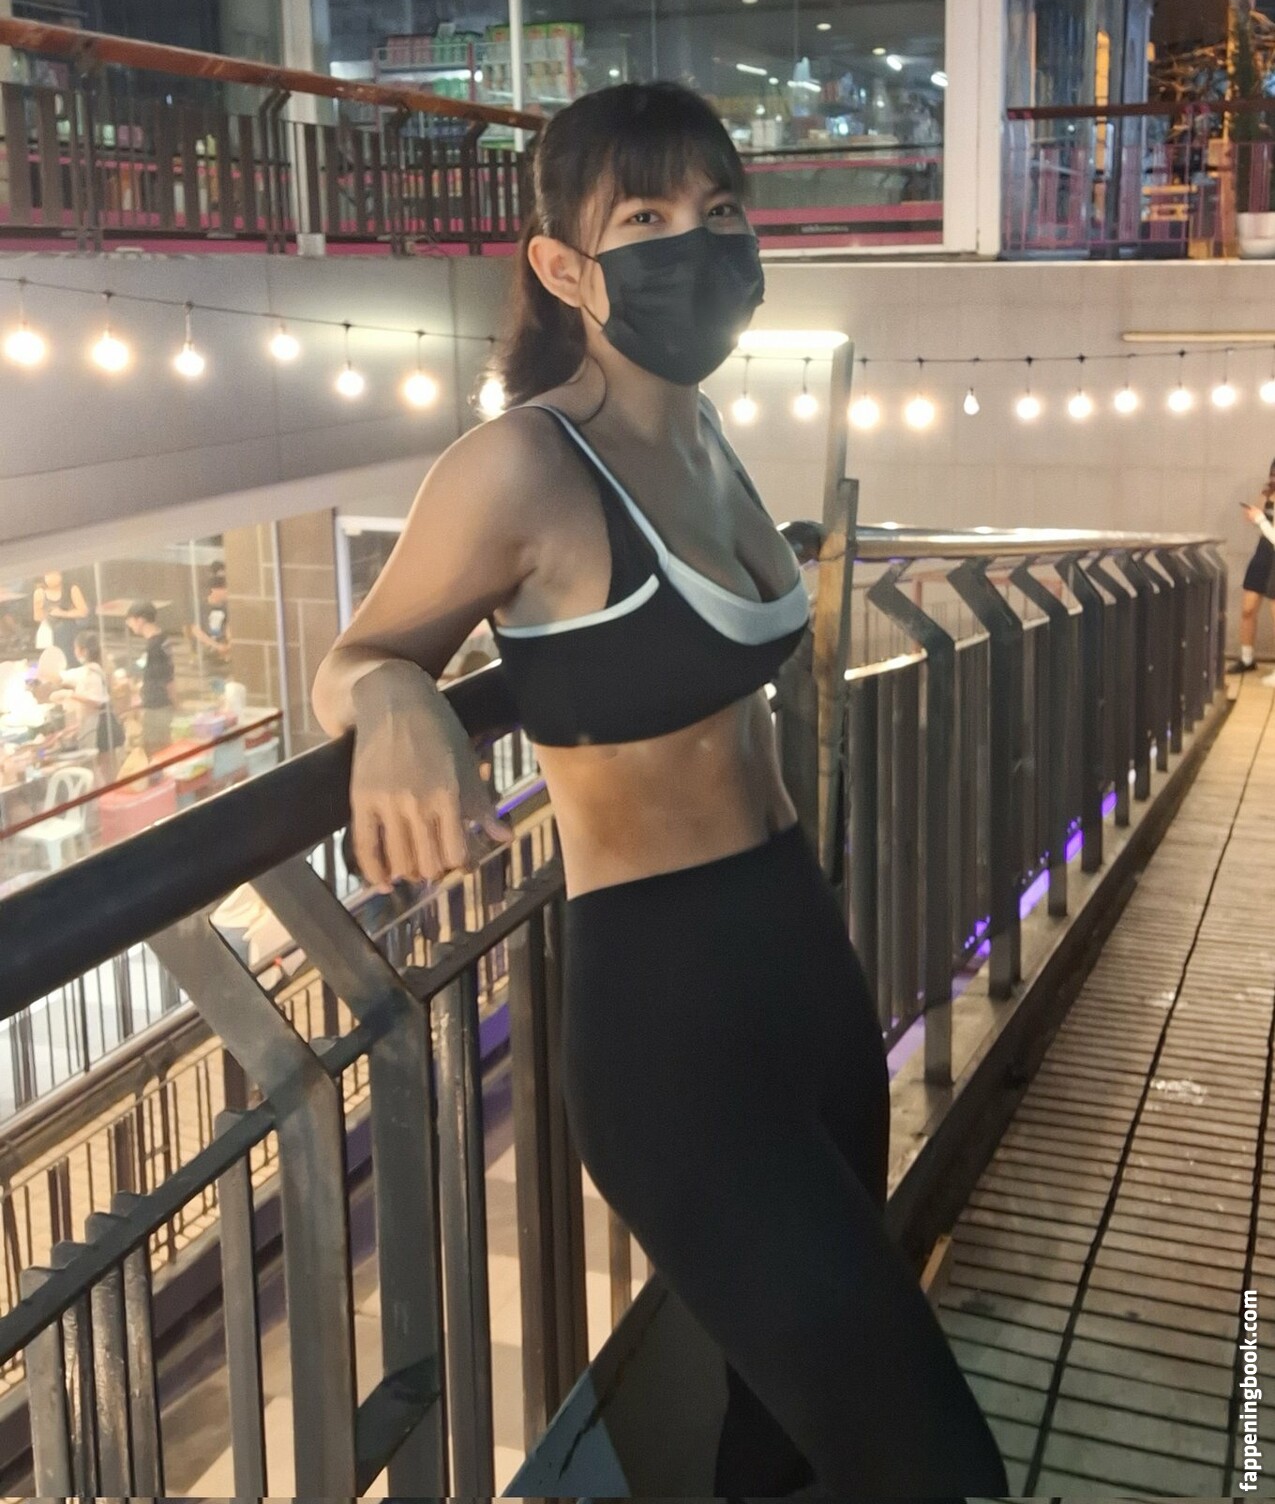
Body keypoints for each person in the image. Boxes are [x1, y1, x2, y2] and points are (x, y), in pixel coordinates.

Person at [313, 82, 1008, 1495]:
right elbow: (362, 653)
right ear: (562, 267)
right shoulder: (519, 463)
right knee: (932, 1460)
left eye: (718, 207)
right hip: (668, 1018)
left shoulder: (704, 432)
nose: (698, 240)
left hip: (800, 954)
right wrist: (393, 702)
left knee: (784, 1429)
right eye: (644, 216)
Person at [1235, 459, 1275, 684]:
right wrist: (1255, 515)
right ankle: (1247, 658)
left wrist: (1259, 519)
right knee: (1248, 608)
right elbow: (1257, 518)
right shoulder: (1267, 493)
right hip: (1264, 551)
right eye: (1272, 474)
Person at [126, 601, 176, 755]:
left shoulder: (153, 647)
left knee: (156, 751)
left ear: (140, 620)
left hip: (156, 705)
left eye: (131, 620)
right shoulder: (162, 639)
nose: (129, 625)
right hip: (162, 704)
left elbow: (165, 677)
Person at [33, 570, 89, 664]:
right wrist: (42, 609)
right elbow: (37, 617)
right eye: (47, 574)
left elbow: (83, 611)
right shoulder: (39, 592)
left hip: (69, 633)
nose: (50, 577)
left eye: (54, 573)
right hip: (49, 634)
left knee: (70, 660)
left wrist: (63, 613)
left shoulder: (71, 589)